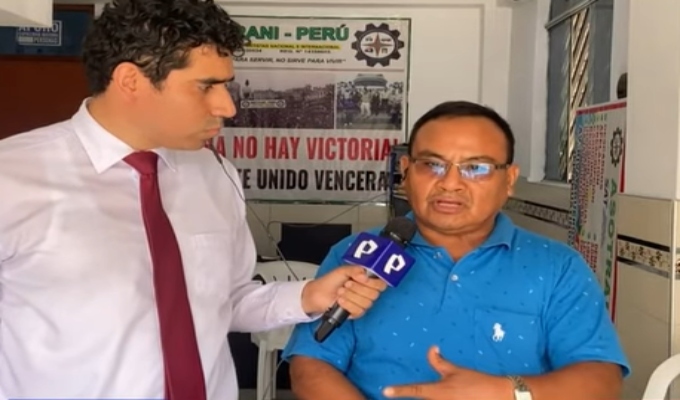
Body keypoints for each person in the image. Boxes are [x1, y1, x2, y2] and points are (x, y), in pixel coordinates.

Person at [0, 1, 386, 399]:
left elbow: (225, 300)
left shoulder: (213, 174)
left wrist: (308, 296)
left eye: (226, 85)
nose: (227, 106)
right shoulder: (11, 179)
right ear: (130, 80)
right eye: (205, 86)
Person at [283, 101, 630, 400]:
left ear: (509, 180)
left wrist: (507, 392)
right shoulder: (358, 254)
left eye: (475, 168)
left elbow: (601, 378)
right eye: (432, 164)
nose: (450, 183)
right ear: (406, 172)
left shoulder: (557, 267)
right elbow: (311, 362)